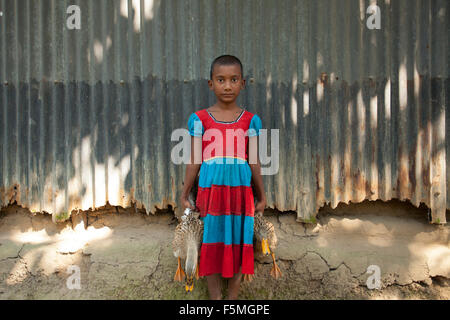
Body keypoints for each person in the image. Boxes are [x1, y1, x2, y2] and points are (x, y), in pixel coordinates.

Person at [180, 55, 266, 300]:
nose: (227, 86)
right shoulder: (200, 119)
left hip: (241, 192)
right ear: (211, 84)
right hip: (210, 191)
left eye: (233, 79)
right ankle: (215, 299)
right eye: (221, 80)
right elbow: (194, 160)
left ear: (243, 84)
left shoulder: (251, 120)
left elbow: (254, 161)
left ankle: (233, 299)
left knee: (240, 241)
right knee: (211, 241)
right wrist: (185, 192)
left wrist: (261, 195)